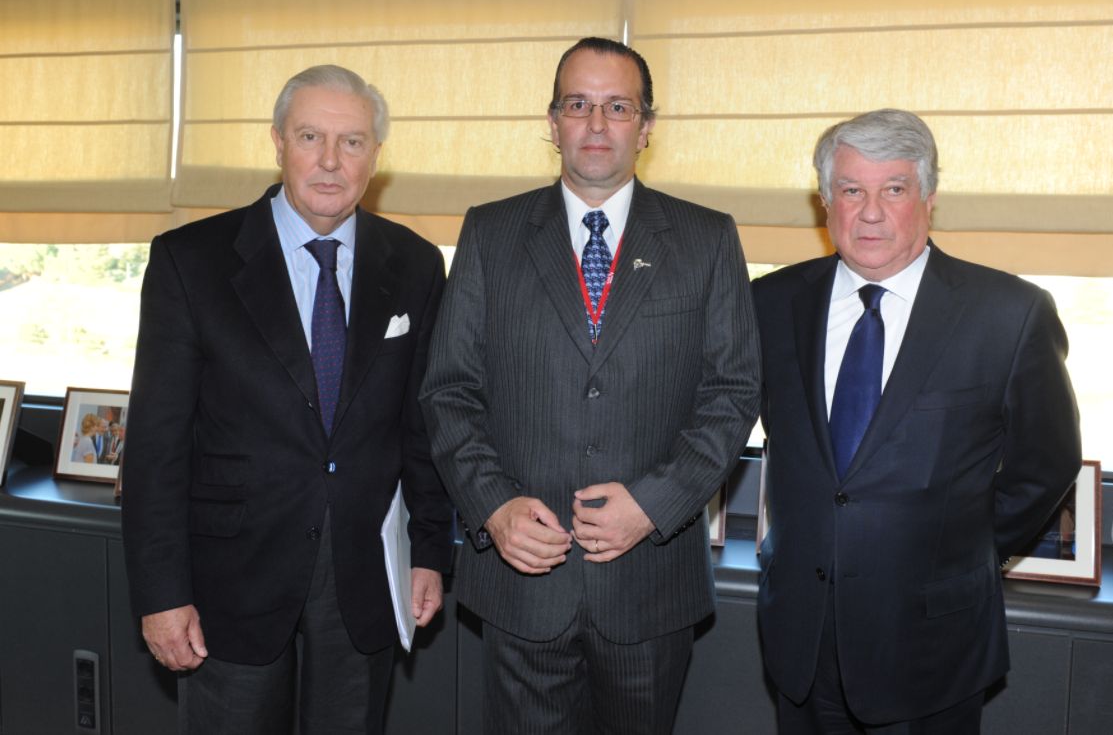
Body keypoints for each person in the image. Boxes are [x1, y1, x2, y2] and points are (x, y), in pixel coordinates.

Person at [419, 37, 760, 735]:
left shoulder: (706, 238)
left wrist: (653, 504)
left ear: (646, 125)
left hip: (649, 583)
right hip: (524, 581)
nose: (597, 125)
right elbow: (449, 391)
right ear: (552, 122)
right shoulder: (490, 233)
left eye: (616, 106)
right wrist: (493, 506)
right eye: (578, 105)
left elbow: (731, 394)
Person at [121, 65, 455, 734]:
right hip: (230, 581)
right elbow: (157, 446)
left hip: (362, 576)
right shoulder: (191, 260)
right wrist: (162, 596)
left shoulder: (416, 264)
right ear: (277, 141)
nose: (331, 161)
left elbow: (421, 426)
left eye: (352, 142)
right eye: (311, 136)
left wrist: (429, 550)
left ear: (376, 155)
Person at [752, 109, 1082, 734]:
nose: (870, 212)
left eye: (894, 190)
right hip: (802, 636)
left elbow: (1047, 465)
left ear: (928, 198)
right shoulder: (769, 304)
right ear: (826, 202)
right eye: (851, 190)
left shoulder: (1008, 314)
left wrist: (959, 552)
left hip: (932, 643)